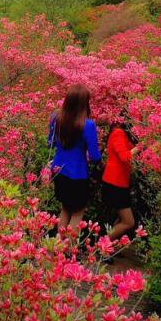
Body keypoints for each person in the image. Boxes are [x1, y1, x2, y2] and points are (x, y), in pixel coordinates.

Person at [47, 84, 101, 237]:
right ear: (85, 103)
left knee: (65, 208)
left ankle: (57, 250)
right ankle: (68, 253)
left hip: (58, 171)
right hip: (78, 174)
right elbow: (95, 156)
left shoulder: (55, 117)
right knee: (77, 213)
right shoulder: (88, 125)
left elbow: (50, 142)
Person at [101, 118, 138, 241]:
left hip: (119, 182)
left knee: (121, 219)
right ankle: (102, 246)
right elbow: (124, 156)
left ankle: (109, 246)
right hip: (115, 183)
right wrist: (142, 145)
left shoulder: (122, 133)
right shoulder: (118, 133)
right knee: (128, 222)